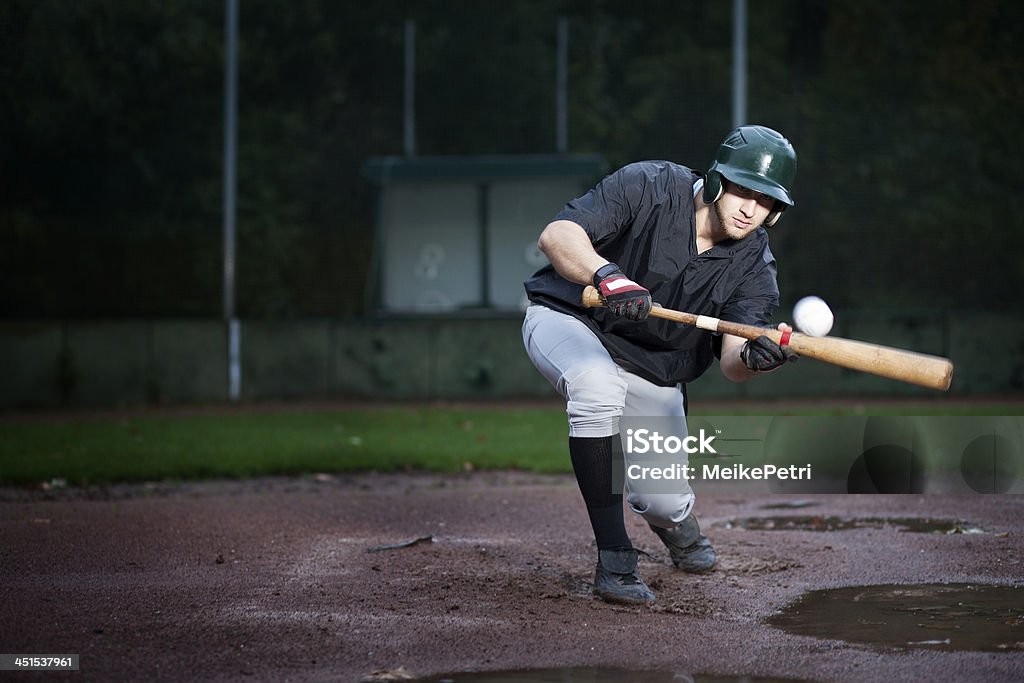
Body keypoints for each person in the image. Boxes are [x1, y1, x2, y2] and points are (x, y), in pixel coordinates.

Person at [521, 125, 799, 605]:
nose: (751, 209)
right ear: (715, 181)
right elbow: (558, 235)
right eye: (742, 190)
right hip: (572, 321)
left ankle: (679, 527)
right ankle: (615, 558)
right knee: (596, 387)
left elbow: (732, 361)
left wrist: (756, 358)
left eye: (766, 200)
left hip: (655, 365)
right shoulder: (649, 184)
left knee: (663, 501)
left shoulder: (755, 267)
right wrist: (608, 277)